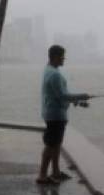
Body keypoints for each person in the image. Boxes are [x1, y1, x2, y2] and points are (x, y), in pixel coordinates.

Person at [38, 44, 89, 185]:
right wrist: (81, 96)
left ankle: (55, 172)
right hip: (55, 115)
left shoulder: (48, 70)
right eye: (62, 57)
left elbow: (57, 96)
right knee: (51, 145)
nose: (64, 59)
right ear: (55, 57)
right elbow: (63, 96)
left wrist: (78, 102)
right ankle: (42, 175)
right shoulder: (54, 74)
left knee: (56, 144)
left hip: (53, 113)